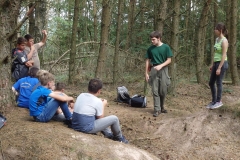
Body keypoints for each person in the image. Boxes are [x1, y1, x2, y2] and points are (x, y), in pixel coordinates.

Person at [72, 79, 128, 144]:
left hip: (75, 125)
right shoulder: (97, 102)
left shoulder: (81, 95)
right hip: (85, 128)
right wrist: (103, 105)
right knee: (114, 119)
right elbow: (100, 118)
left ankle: (108, 134)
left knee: (93, 115)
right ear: (99, 91)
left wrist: (99, 101)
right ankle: (119, 138)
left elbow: (89, 102)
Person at [145, 31, 173, 117]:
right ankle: (157, 109)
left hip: (163, 69)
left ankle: (162, 107)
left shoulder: (166, 47)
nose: (152, 41)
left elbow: (169, 60)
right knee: (155, 90)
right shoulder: (150, 49)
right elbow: (147, 60)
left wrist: (161, 66)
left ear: (159, 38)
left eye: (153, 39)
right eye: (151, 39)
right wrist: (146, 73)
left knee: (163, 90)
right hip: (154, 69)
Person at [206, 22, 229, 109]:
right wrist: (213, 64)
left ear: (220, 30)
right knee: (211, 82)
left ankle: (219, 101)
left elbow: (224, 55)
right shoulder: (216, 40)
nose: (214, 30)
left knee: (218, 82)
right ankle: (214, 101)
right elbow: (215, 53)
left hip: (222, 64)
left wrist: (219, 67)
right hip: (216, 63)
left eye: (216, 29)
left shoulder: (224, 41)